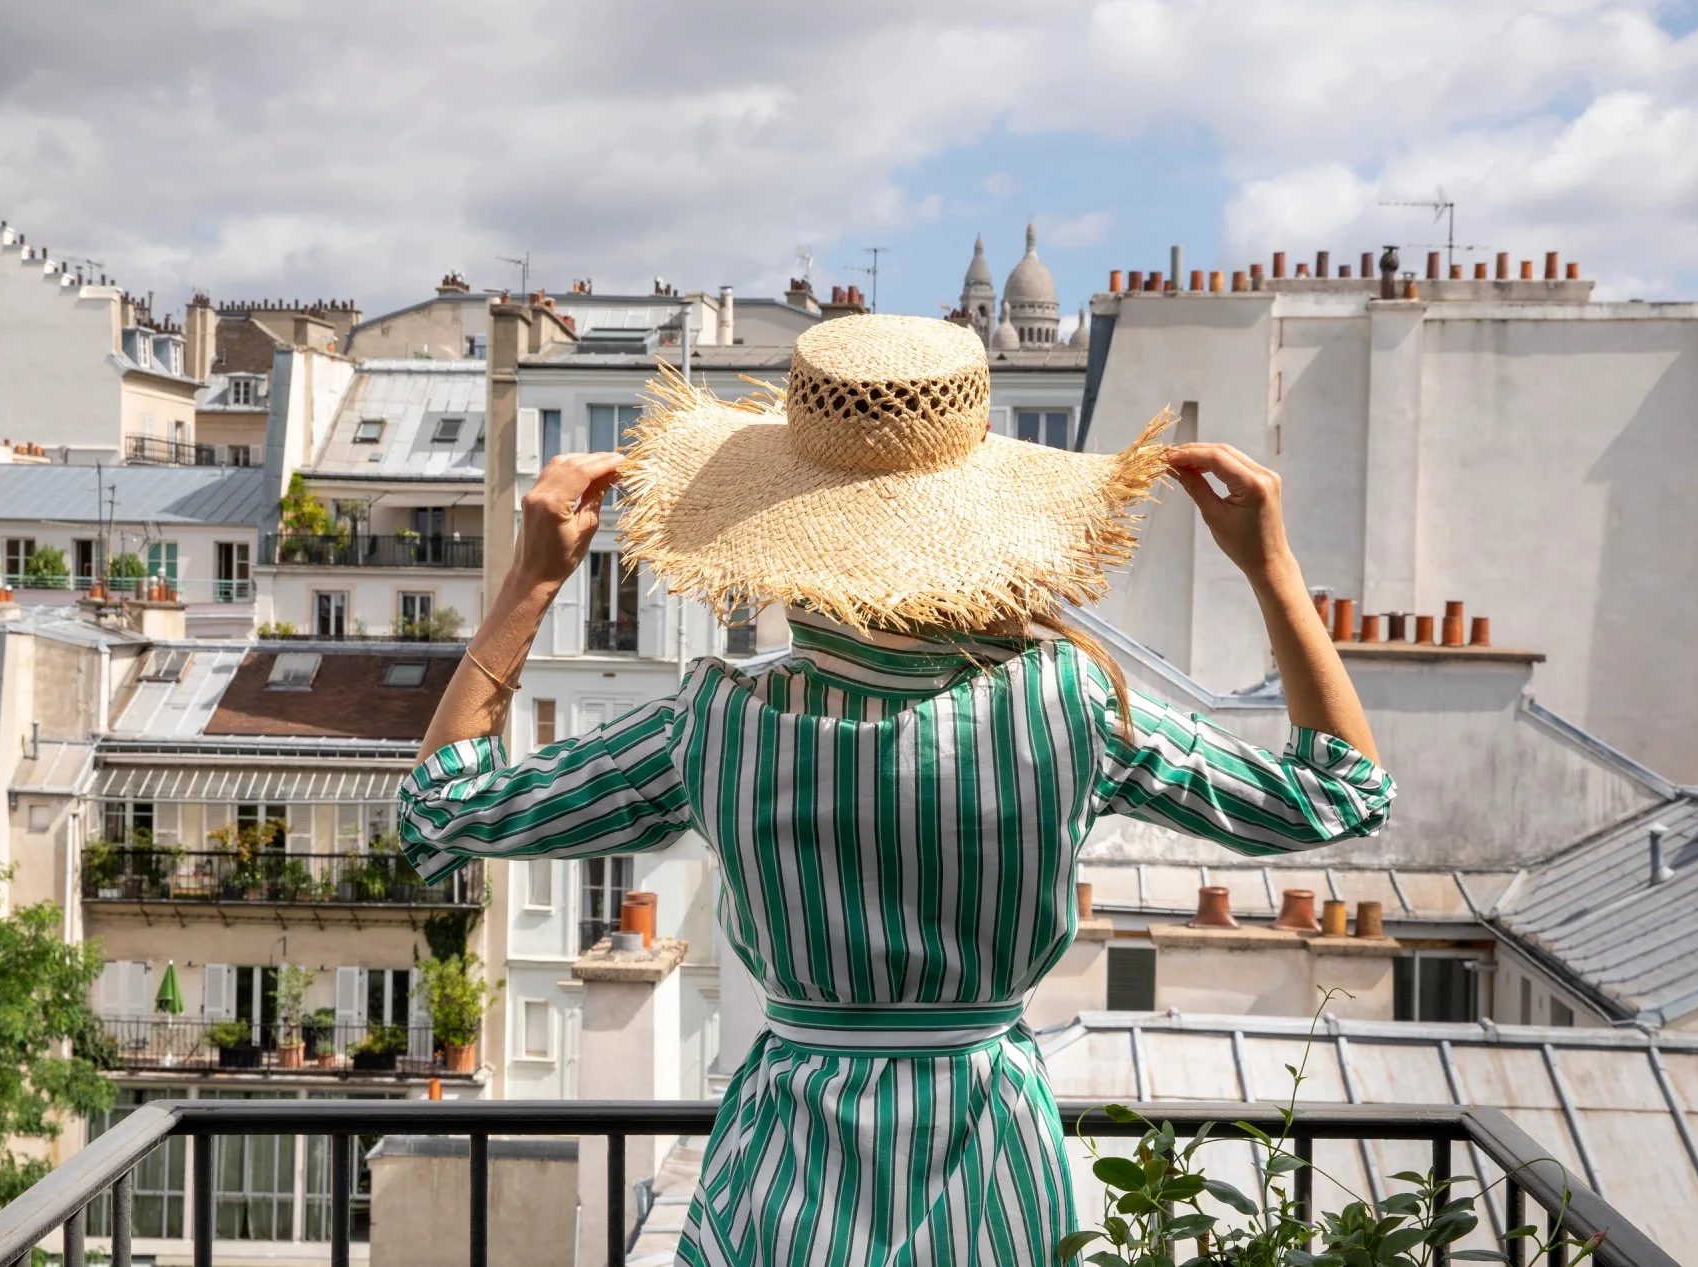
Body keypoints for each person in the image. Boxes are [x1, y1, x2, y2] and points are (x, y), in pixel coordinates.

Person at [399, 315, 1392, 1267]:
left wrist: (533, 578)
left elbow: (443, 805)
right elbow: (1339, 793)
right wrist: (1270, 565)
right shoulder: (1069, 706)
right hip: (992, 1174)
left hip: (786, 1181)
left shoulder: (718, 723)